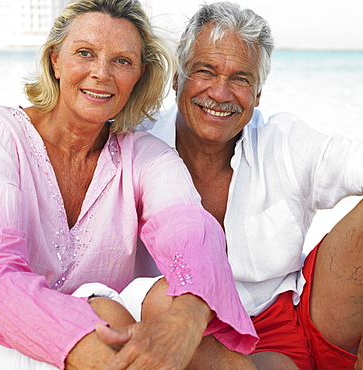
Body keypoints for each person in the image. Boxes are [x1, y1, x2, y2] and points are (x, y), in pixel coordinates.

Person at [0, 0, 259, 369]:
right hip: (5, 335)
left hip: (109, 325)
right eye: (85, 53)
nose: (101, 73)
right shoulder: (1, 136)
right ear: (55, 59)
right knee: (108, 316)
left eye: (121, 61)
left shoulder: (146, 155)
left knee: (176, 301)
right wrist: (88, 352)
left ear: (139, 75)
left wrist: (186, 318)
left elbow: (192, 233)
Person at [139, 2, 363, 369]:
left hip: (298, 314)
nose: (221, 93)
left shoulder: (284, 139)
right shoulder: (138, 146)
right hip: (195, 332)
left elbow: (355, 161)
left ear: (258, 94)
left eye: (241, 78)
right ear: (176, 78)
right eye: (205, 71)